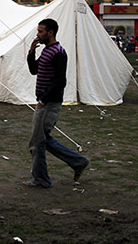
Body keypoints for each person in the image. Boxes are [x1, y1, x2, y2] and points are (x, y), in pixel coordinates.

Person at [25, 18, 89, 188]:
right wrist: (31, 52)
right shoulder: (47, 51)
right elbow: (34, 70)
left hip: (49, 103)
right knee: (42, 140)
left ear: (50, 32)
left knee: (37, 142)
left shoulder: (58, 52)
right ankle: (78, 162)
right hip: (44, 101)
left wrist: (44, 99)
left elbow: (61, 81)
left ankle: (42, 179)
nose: (38, 35)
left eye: (41, 31)